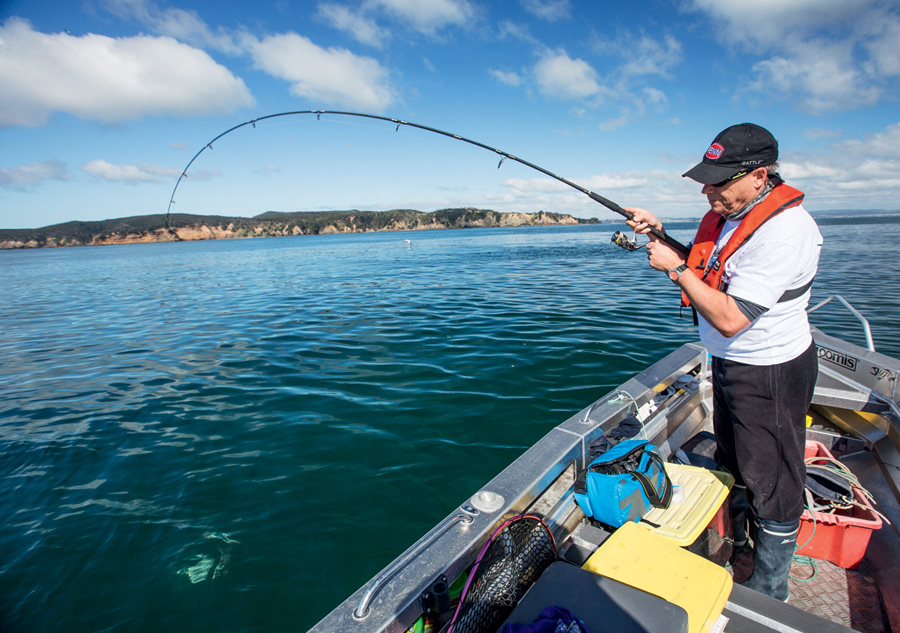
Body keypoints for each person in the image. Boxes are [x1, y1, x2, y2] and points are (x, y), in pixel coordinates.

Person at [625, 123, 822, 601]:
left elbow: (732, 316)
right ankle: (736, 547)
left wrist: (673, 267)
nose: (708, 190)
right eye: (706, 179)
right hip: (732, 364)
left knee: (773, 479)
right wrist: (662, 235)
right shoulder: (735, 214)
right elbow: (710, 266)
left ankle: (772, 589)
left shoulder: (785, 231)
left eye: (720, 180)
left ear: (760, 176)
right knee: (737, 460)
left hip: (769, 369)